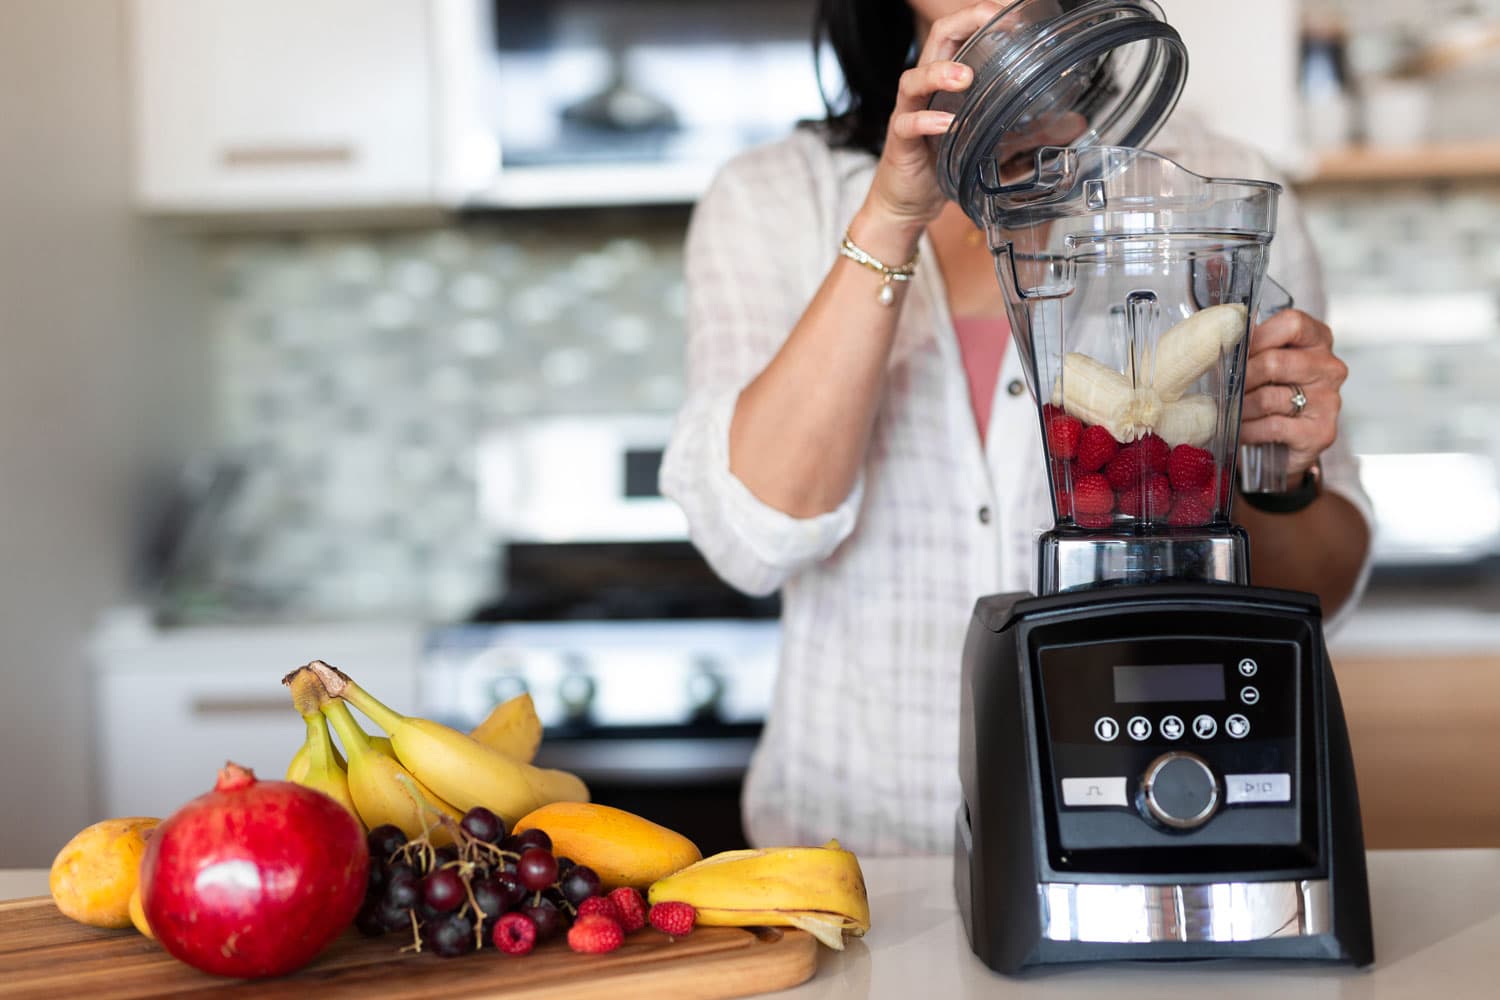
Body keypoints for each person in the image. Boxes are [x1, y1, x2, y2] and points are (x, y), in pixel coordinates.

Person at [660, 0, 1373, 854]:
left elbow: (1320, 590)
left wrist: (1277, 476)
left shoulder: (1218, 193)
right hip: (854, 861)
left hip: (1147, 836)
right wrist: (892, 212)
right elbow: (754, 540)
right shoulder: (774, 199)